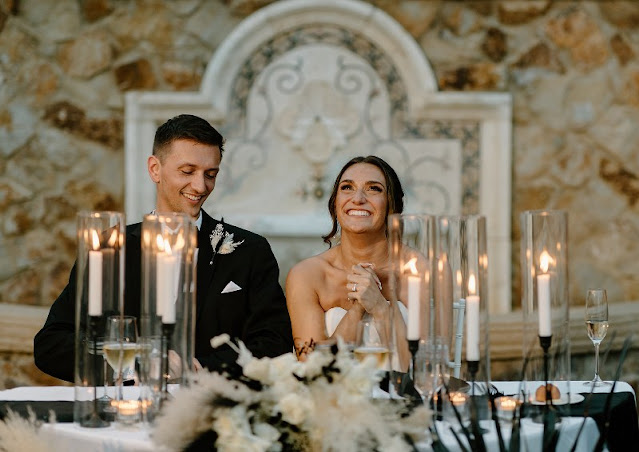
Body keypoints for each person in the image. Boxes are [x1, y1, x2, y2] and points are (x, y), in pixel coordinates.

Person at [34, 114, 293, 382]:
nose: (200, 186)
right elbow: (51, 344)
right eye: (187, 171)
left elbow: (276, 343)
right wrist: (132, 366)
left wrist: (198, 369)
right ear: (155, 169)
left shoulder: (249, 250)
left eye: (210, 174)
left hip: (215, 406)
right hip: (126, 409)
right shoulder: (109, 247)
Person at [286, 155, 410, 361]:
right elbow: (313, 370)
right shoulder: (306, 275)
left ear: (392, 205)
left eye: (374, 188)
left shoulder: (419, 270)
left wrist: (379, 306)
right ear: (335, 203)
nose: (358, 198)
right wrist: (357, 308)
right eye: (347, 187)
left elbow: (422, 370)